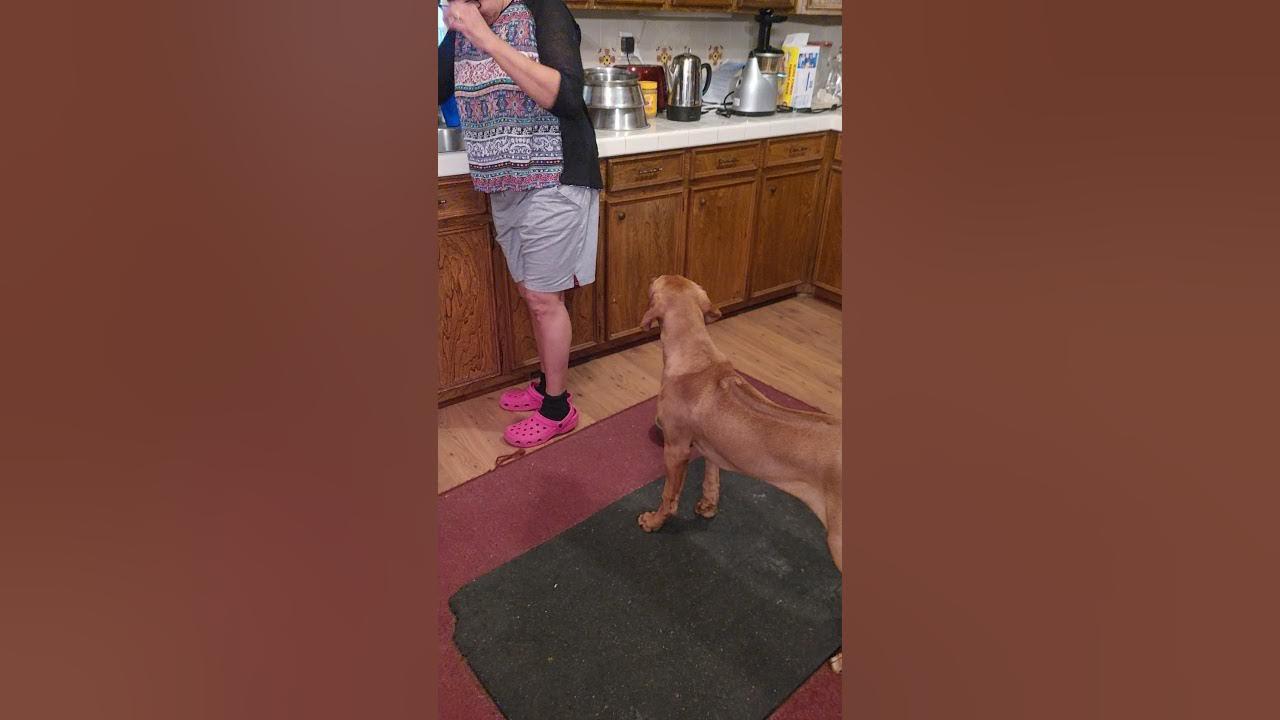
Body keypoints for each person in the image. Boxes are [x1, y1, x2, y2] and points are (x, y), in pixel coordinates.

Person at [439, 0, 602, 448]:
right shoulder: (463, 27)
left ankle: (558, 406)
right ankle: (547, 382)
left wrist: (485, 39)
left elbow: (567, 95)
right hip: (504, 184)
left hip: (554, 174)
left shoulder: (543, 9)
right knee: (532, 294)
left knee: (543, 298)